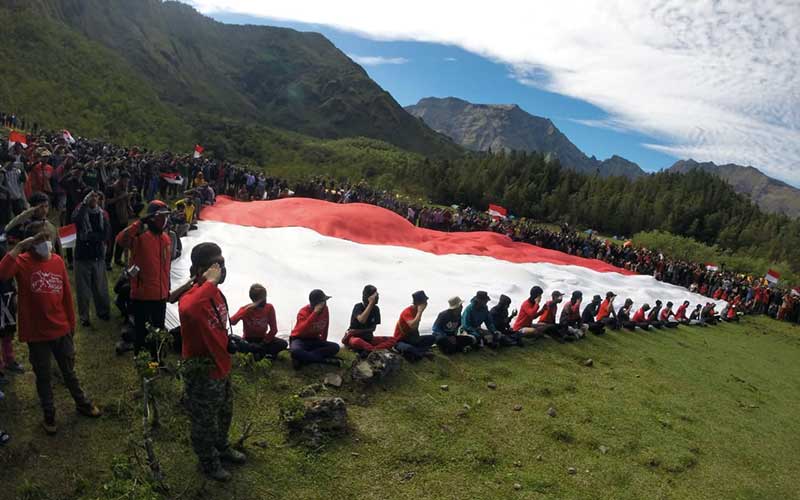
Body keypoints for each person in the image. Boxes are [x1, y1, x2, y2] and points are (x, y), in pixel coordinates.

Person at [0, 224, 101, 435]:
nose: (46, 243)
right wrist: (19, 247)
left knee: (69, 372)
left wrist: (71, 325)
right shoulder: (22, 262)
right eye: (40, 239)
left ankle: (82, 403)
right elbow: (2, 274)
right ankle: (49, 414)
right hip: (37, 334)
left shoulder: (57, 261)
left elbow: (65, 295)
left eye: (48, 238)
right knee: (43, 376)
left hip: (61, 328)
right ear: (31, 242)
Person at [179, 242, 246, 481]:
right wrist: (208, 282)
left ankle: (222, 447)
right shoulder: (192, 297)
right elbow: (188, 309)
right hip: (202, 372)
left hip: (222, 367)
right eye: (216, 265)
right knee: (203, 421)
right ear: (201, 269)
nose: (221, 269)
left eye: (223, 263)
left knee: (224, 413)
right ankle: (208, 462)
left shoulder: (215, 292)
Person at [115, 200, 172, 358]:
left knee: (158, 331)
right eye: (162, 216)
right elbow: (120, 240)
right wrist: (139, 223)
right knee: (142, 332)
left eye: (167, 216)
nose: (165, 220)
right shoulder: (139, 237)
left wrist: (167, 288)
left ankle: (157, 361)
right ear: (152, 217)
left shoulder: (166, 239)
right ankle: (141, 362)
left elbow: (166, 267)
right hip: (142, 295)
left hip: (160, 295)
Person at [72, 190, 111, 327]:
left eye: (96, 196)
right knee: (83, 289)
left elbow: (106, 234)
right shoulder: (80, 211)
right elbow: (75, 220)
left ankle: (103, 311)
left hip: (98, 255)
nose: (94, 199)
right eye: (91, 196)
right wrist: (84, 204)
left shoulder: (103, 214)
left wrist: (91, 237)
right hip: (82, 256)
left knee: (100, 287)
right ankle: (84, 316)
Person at [230, 284, 287, 361]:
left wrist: (263, 343)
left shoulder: (269, 308)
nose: (265, 300)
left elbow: (274, 330)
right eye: (262, 299)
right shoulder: (246, 309)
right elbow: (232, 321)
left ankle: (259, 353)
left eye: (265, 297)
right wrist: (246, 310)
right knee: (240, 344)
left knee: (283, 343)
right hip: (248, 339)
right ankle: (261, 353)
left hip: (263, 339)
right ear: (255, 300)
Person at [289, 289, 340, 368]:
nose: (325, 304)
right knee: (296, 351)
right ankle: (320, 359)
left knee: (335, 347)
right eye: (322, 302)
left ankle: (304, 358)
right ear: (316, 304)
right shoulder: (303, 312)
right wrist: (314, 314)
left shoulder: (325, 309)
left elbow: (325, 326)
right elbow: (303, 329)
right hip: (300, 339)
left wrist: (323, 341)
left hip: (314, 340)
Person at [342, 285, 395, 355]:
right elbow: (362, 320)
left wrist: (359, 331)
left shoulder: (376, 309)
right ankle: (372, 349)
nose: (378, 297)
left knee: (393, 340)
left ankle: (372, 349)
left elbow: (373, 328)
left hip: (368, 339)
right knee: (357, 341)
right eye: (375, 296)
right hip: (355, 338)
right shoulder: (358, 307)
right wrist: (370, 304)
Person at [5, 192, 62, 256]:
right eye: (41, 207)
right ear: (33, 208)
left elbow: (58, 248)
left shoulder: (51, 226)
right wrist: (28, 213)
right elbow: (8, 229)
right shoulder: (25, 225)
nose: (44, 210)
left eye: (46, 206)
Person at [393, 290, 435, 361]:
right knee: (408, 348)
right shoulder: (407, 312)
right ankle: (422, 352)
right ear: (419, 303)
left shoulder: (417, 311)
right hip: (400, 340)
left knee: (433, 338)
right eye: (424, 302)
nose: (426, 304)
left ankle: (418, 352)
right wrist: (420, 311)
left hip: (412, 339)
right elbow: (413, 326)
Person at [105, 171, 132, 269]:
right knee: (111, 241)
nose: (126, 183)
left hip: (123, 218)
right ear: (120, 179)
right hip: (113, 218)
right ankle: (107, 261)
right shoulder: (111, 188)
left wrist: (129, 208)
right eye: (125, 180)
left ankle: (118, 259)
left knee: (121, 240)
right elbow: (107, 202)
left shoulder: (125, 188)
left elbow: (126, 202)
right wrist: (120, 197)